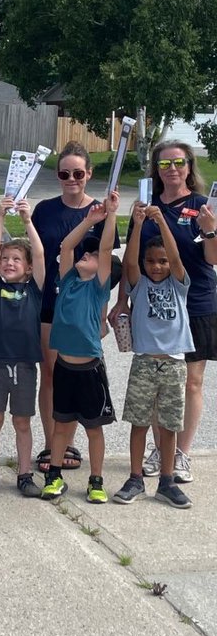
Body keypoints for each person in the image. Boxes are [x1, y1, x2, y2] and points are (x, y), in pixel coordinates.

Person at [111, 140, 217, 484]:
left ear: (189, 166)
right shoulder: (145, 206)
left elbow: (213, 258)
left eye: (179, 162)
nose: (172, 169)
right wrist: (122, 301)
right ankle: (160, 450)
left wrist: (210, 228)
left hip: (196, 301)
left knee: (191, 383)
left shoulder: (203, 205)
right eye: (165, 164)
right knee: (158, 383)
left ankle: (181, 453)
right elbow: (131, 259)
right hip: (153, 306)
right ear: (156, 170)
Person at [31, 142, 118, 474]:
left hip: (85, 308)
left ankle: (67, 443)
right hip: (50, 302)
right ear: (57, 175)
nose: (71, 179)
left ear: (89, 174)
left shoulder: (101, 211)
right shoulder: (44, 210)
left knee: (79, 375)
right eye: (65, 173)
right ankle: (52, 442)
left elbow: (106, 262)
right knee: (51, 374)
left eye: (78, 174)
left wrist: (102, 314)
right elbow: (36, 255)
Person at [112, 204, 193, 509]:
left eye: (162, 261)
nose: (157, 266)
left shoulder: (179, 284)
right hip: (145, 361)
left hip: (174, 363)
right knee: (139, 423)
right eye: (151, 261)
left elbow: (176, 257)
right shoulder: (139, 284)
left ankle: (167, 481)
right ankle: (135, 478)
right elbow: (131, 261)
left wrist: (161, 223)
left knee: (170, 426)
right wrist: (136, 226)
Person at [41, 191, 120, 504]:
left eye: (93, 255)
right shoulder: (68, 281)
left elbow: (105, 248)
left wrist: (110, 215)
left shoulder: (98, 288)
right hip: (64, 367)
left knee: (94, 429)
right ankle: (54, 475)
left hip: (90, 370)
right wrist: (89, 220)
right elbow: (66, 246)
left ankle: (96, 480)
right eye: (86, 253)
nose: (87, 255)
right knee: (61, 426)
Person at [0, 198, 45, 497]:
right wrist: (2, 218)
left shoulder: (35, 290)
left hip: (25, 364)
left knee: (22, 422)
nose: (9, 262)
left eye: (17, 259)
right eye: (6, 258)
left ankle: (24, 474)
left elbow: (39, 253)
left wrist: (27, 220)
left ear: (28, 268)